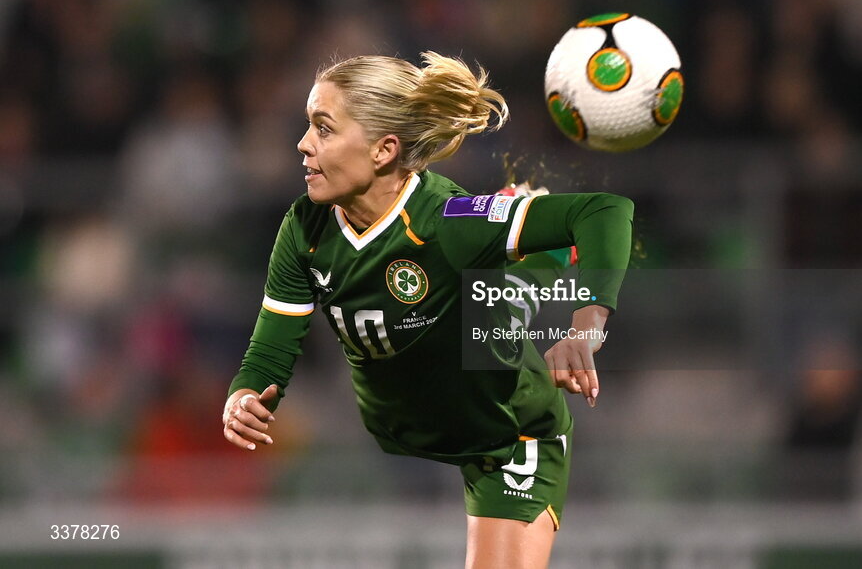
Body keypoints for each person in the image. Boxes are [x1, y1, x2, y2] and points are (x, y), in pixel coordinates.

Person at [222, 52, 633, 568]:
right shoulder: (305, 228)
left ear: (383, 150)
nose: (303, 145)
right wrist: (241, 395)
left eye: (323, 129)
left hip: (506, 436)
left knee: (501, 303)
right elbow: (270, 352)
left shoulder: (447, 220)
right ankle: (528, 251)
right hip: (411, 430)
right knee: (500, 298)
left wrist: (586, 323)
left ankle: (529, 244)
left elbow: (604, 211)